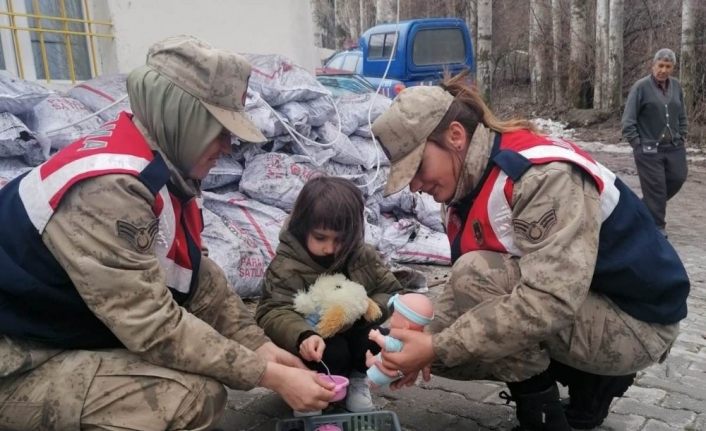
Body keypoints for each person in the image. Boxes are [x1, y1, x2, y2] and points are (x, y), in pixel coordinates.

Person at [0, 35, 335, 431]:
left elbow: (198, 280)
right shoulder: (109, 191)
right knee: (188, 399)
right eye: (219, 130)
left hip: (51, 332)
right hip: (18, 360)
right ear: (184, 117)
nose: (227, 147)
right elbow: (152, 325)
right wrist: (265, 373)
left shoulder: (160, 171)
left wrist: (259, 346)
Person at [370, 72, 690, 431]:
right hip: (590, 303)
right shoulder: (463, 188)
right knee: (437, 345)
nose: (414, 185)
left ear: (456, 137)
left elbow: (546, 301)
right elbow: (468, 300)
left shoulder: (542, 178)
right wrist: (413, 345)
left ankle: (544, 418)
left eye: (418, 168)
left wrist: (436, 346)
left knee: (473, 283)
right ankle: (590, 386)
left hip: (637, 324)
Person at [256, 176, 403, 413]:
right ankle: (308, 388)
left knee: (379, 337)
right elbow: (271, 311)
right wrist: (302, 335)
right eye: (320, 238)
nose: (330, 249)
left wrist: (368, 308)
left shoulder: (362, 256)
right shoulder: (287, 266)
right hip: (314, 341)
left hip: (354, 332)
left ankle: (357, 380)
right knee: (332, 351)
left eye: (340, 240)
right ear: (303, 229)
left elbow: (391, 290)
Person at [622, 48, 689, 237]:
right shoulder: (641, 87)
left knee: (678, 177)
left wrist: (682, 133)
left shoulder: (676, 86)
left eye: (668, 66)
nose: (664, 70)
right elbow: (628, 120)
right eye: (660, 65)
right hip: (648, 149)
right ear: (653, 65)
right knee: (657, 187)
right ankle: (657, 227)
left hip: (674, 146)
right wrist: (637, 144)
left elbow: (682, 114)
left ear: (672, 68)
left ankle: (645, 208)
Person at [365, 293, 433, 388]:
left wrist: (377, 337)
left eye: (394, 315)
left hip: (386, 365)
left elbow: (388, 344)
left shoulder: (401, 340)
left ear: (405, 325)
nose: (391, 318)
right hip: (394, 364)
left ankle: (370, 379)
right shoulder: (419, 338)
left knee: (377, 364)